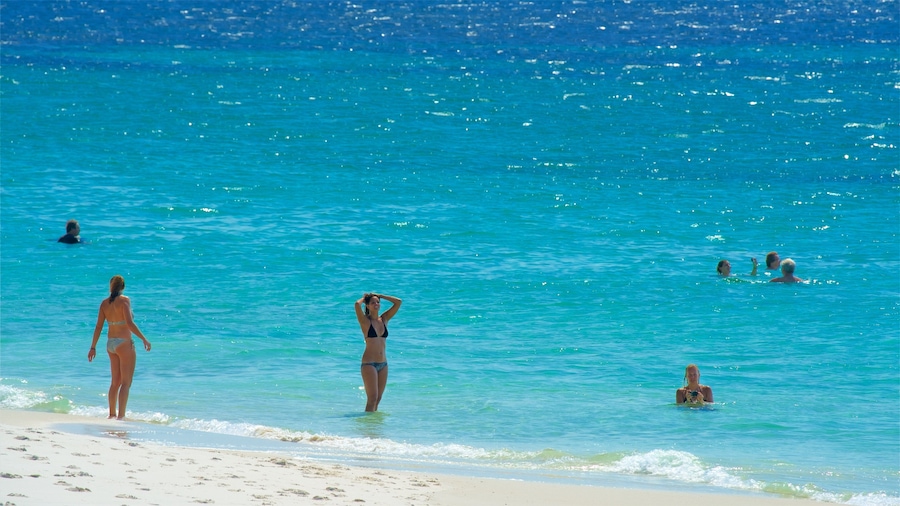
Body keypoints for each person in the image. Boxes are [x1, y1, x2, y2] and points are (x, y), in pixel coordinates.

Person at [88, 275, 151, 419]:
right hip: (124, 343)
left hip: (110, 344)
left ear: (111, 286)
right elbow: (130, 323)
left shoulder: (104, 303)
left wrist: (93, 347)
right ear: (123, 287)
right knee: (126, 383)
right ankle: (121, 416)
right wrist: (144, 339)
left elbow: (98, 327)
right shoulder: (125, 301)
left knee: (114, 382)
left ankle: (111, 414)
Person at [354, 292, 402, 412]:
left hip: (383, 364)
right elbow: (356, 305)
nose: (376, 304)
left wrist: (380, 295)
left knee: (378, 398)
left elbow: (398, 302)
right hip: (369, 364)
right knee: (372, 398)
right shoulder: (365, 322)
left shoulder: (384, 319)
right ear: (368, 306)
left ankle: (372, 428)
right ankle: (367, 428)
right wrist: (364, 298)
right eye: (373, 302)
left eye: (378, 302)